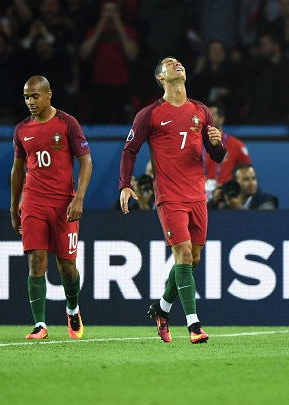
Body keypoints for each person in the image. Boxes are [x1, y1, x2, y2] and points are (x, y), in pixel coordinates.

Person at [119, 56, 227, 344]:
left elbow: (213, 154)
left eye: (180, 62)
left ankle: (162, 309)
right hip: (169, 197)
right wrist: (125, 185)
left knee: (195, 258)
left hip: (197, 196)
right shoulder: (150, 114)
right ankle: (194, 325)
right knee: (184, 255)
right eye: (169, 63)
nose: (177, 64)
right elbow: (129, 151)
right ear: (161, 78)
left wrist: (217, 146)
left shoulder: (201, 112)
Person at [10, 75, 92, 340]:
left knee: (67, 267)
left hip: (63, 204)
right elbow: (18, 170)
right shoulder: (22, 129)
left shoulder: (67, 123)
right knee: (36, 262)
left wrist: (78, 198)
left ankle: (73, 308)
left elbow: (86, 162)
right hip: (33, 201)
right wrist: (14, 207)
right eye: (26, 97)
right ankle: (40, 325)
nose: (30, 102)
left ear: (48, 95)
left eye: (35, 96)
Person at [203, 100, 251, 199]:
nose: (207, 119)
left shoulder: (237, 145)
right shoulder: (196, 143)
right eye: (205, 116)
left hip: (226, 198)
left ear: (221, 119)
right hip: (199, 195)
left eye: (211, 116)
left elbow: (246, 174)